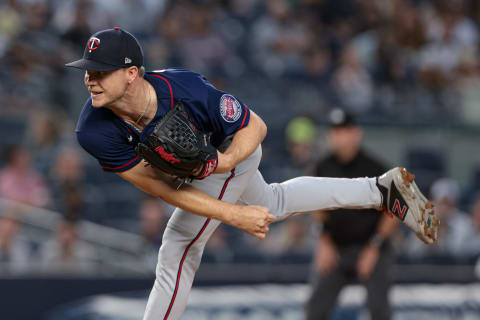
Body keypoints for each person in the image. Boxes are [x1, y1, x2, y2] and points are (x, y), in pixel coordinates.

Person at [65, 27, 437, 320]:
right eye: (87, 71)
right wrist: (233, 213)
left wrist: (223, 164)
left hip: (233, 153)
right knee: (274, 201)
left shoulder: (186, 87)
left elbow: (254, 126)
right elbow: (160, 188)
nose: (90, 80)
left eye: (100, 72)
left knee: (178, 247)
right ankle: (380, 191)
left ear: (131, 73)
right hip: (192, 175)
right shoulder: (93, 130)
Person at [306, 109, 398, 320]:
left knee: (379, 310)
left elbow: (393, 211)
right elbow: (313, 204)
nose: (338, 136)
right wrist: (323, 241)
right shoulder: (322, 166)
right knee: (315, 309)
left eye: (344, 130)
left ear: (357, 133)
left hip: (371, 246)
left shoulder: (376, 168)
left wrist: (374, 247)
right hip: (336, 247)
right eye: (334, 131)